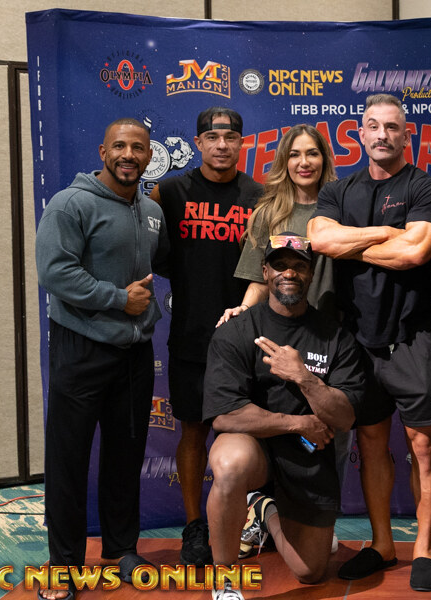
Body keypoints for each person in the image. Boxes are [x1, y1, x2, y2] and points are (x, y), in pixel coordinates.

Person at [308, 93, 431, 592]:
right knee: (371, 444)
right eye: (373, 126)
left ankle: (424, 548)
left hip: (415, 336)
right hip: (355, 341)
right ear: (360, 133)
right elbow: (320, 241)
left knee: (423, 447)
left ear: (406, 134)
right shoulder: (338, 189)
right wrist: (386, 233)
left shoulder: (428, 186)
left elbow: (414, 253)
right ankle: (382, 544)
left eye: (392, 127)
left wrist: (353, 242)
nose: (382, 135)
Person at [35, 118, 169, 600]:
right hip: (81, 348)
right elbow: (54, 272)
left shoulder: (150, 210)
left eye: (138, 147)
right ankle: (63, 565)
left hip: (134, 353)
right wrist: (118, 299)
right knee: (68, 460)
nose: (129, 154)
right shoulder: (71, 204)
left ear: (149, 154)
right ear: (103, 151)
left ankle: (121, 549)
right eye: (119, 146)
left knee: (125, 456)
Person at [203, 235, 365, 599]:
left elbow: (344, 418)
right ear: (265, 272)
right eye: (279, 265)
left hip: (306, 453)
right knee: (230, 462)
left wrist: (302, 376)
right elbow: (225, 416)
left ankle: (265, 510)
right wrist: (297, 422)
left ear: (310, 274)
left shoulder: (335, 336)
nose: (289, 273)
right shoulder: (237, 330)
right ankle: (224, 581)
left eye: (298, 266)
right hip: (255, 445)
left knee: (310, 572)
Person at [216, 124, 349, 556]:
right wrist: (242, 312)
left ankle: (314, 519)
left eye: (312, 153)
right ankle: (262, 514)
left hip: (330, 334)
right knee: (274, 428)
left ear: (324, 159)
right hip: (281, 334)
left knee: (329, 433)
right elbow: (259, 277)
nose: (304, 162)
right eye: (295, 154)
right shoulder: (268, 212)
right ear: (283, 162)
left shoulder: (340, 205)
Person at [149, 107, 262, 567]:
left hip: (247, 337)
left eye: (230, 137)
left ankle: (253, 520)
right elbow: (154, 254)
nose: (221, 145)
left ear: (242, 143)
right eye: (212, 137)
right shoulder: (170, 192)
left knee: (254, 432)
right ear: (197, 143)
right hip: (191, 335)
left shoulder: (259, 195)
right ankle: (195, 525)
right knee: (193, 432)